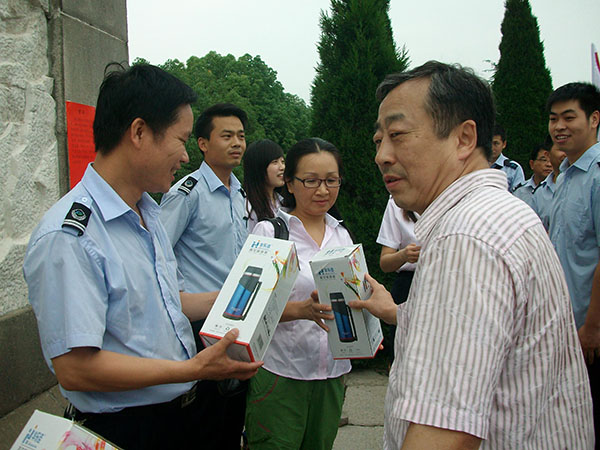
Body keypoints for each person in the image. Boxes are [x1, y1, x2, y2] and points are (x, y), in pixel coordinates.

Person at [352, 61, 593, 448]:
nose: (382, 155)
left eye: (397, 135)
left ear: (464, 138)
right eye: (379, 140)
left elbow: (445, 431)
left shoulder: (465, 237)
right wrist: (399, 312)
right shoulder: (493, 214)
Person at [22, 64, 261, 450]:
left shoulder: (148, 213)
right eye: (181, 140)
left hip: (181, 416)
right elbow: (76, 368)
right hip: (128, 428)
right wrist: (191, 369)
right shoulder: (71, 236)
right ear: (138, 132)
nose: (185, 156)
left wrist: (245, 299)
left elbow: (170, 303)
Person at [245, 138, 352, 450]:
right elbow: (246, 309)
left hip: (332, 373)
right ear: (290, 183)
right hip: (282, 373)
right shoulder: (271, 233)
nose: (323, 190)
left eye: (331, 180)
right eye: (311, 181)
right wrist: (300, 311)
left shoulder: (342, 234)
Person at [159, 102, 249, 449]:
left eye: (241, 136)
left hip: (236, 315)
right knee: (203, 420)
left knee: (232, 416)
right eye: (226, 136)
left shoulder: (238, 192)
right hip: (199, 321)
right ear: (202, 144)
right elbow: (159, 253)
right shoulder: (187, 192)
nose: (237, 143)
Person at [547, 81, 600, 446]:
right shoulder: (565, 175)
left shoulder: (596, 176)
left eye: (569, 117)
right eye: (554, 119)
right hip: (566, 328)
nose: (559, 126)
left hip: (589, 329)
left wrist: (592, 327)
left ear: (594, 119)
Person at [376, 197, 420, 357]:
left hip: (445, 281)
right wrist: (404, 255)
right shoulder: (397, 201)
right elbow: (385, 263)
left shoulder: (456, 195)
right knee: (405, 352)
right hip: (407, 286)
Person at [242, 138, 285, 232]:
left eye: (282, 161)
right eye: (275, 162)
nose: (282, 167)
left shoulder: (282, 201)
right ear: (259, 167)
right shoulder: (247, 207)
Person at [530, 139, 566, 231]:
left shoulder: (583, 184)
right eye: (561, 149)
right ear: (548, 155)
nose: (566, 154)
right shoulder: (540, 192)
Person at [512, 141, 553, 207]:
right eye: (544, 160)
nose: (549, 164)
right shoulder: (520, 192)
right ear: (532, 164)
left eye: (552, 160)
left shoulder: (559, 190)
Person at [489, 124, 525, 192]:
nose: (492, 147)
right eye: (489, 143)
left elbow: (518, 194)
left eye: (496, 143)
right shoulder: (476, 165)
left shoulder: (513, 169)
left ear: (504, 144)